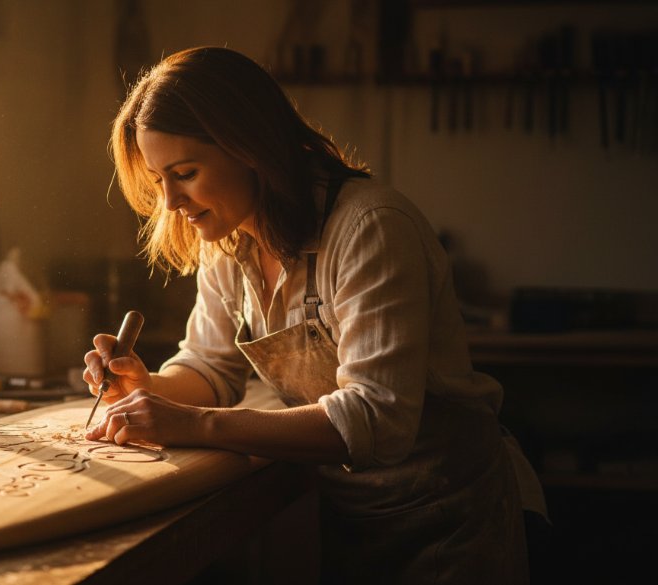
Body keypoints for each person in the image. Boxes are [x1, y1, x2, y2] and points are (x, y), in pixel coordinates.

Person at [83, 46, 540, 583]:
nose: (171, 203)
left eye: (184, 173)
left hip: (450, 514)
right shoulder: (228, 241)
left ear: (250, 148)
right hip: (349, 513)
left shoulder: (370, 227)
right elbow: (210, 368)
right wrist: (149, 387)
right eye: (159, 180)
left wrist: (195, 424)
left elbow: (376, 418)